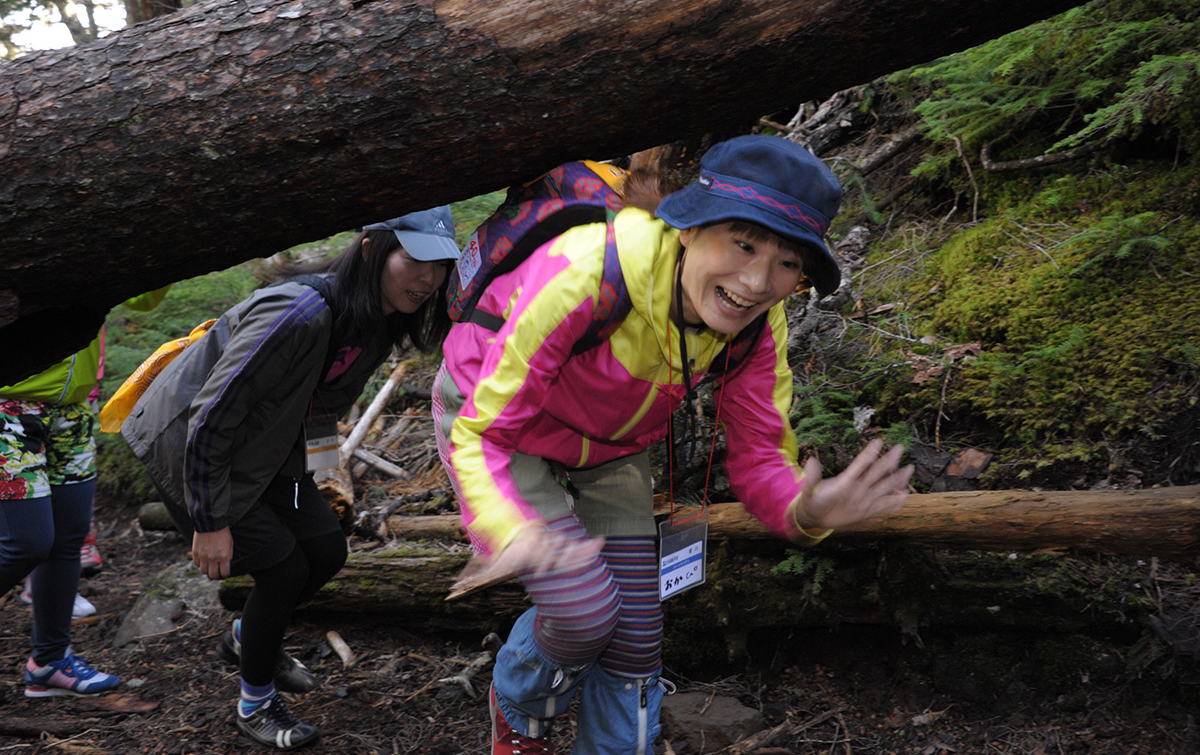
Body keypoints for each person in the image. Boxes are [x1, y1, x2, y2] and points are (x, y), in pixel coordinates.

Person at [433, 135, 914, 755]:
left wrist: (805, 509)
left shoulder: (757, 324)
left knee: (637, 635)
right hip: (497, 418)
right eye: (744, 244)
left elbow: (761, 452)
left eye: (788, 263)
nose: (757, 281)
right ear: (689, 228)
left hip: (610, 443)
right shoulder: (587, 273)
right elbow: (485, 434)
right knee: (583, 613)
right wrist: (509, 526)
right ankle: (519, 713)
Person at [121, 208, 459, 751]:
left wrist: (313, 473)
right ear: (371, 249)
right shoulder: (296, 314)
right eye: (414, 258)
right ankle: (254, 704)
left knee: (325, 549)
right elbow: (212, 414)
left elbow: (320, 404)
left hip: (265, 449)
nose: (428, 278)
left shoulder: (376, 321)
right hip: (190, 447)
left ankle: (248, 637)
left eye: (440, 265)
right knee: (282, 568)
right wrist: (209, 520)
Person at [0, 287, 170, 699]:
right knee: (26, 543)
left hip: (73, 411)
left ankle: (50, 662)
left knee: (67, 538)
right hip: (8, 407)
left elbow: (143, 299)